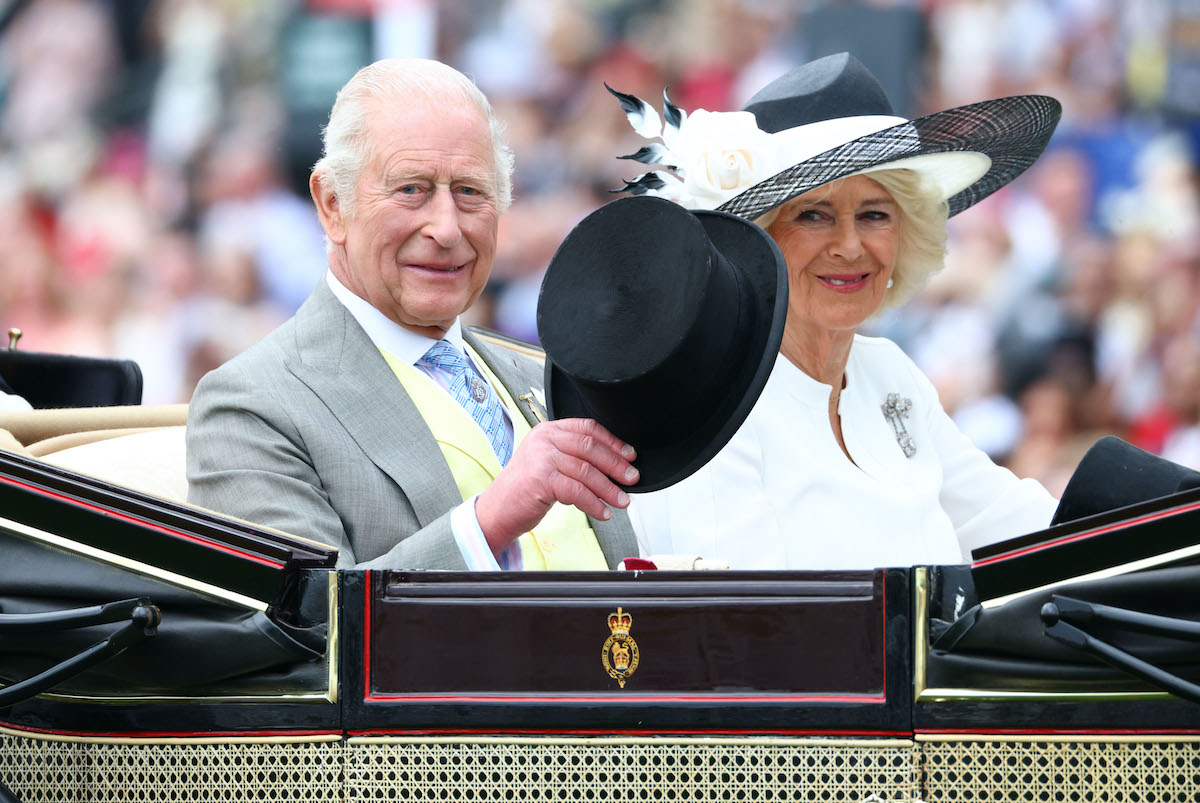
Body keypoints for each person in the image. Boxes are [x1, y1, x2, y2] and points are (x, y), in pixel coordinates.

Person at [611, 53, 1063, 569]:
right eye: (813, 215)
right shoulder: (708, 410)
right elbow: (734, 628)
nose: (850, 246)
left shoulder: (891, 376)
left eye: (874, 215)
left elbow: (1023, 527)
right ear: (756, 238)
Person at [186, 59, 639, 570]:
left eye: (469, 191)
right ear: (332, 204)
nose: (446, 229)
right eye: (410, 190)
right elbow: (310, 632)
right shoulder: (252, 407)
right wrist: (489, 523)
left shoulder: (540, 375)